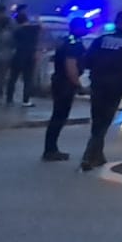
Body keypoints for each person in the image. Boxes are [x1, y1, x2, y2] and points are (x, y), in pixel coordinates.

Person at [79, 10, 122, 172]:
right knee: (105, 120)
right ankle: (88, 156)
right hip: (116, 85)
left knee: (97, 119)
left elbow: (86, 61)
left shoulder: (100, 39)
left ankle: (98, 155)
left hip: (98, 83)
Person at [42, 23, 86, 162]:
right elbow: (70, 66)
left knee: (58, 116)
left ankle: (51, 149)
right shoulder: (73, 45)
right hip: (65, 84)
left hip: (60, 82)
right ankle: (50, 150)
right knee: (59, 117)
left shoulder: (68, 41)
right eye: (84, 27)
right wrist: (78, 85)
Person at [5, 6, 42, 107]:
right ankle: (25, 100)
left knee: (13, 78)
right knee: (28, 79)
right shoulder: (33, 29)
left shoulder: (17, 31)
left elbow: (12, 42)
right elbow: (41, 27)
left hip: (18, 55)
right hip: (30, 56)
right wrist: (37, 19)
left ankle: (9, 99)